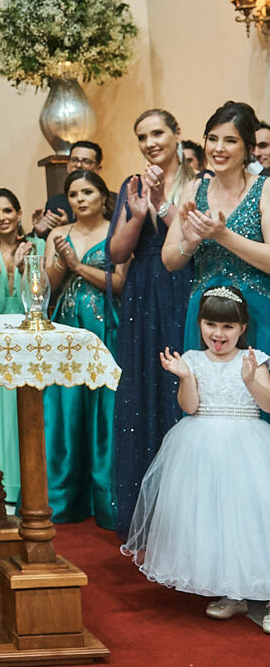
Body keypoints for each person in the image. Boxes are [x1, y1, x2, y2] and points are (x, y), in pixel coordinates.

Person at [122, 286, 270, 632]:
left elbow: (268, 405)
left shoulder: (254, 359)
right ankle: (233, 592)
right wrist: (186, 377)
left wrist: (251, 382)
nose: (218, 334)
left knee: (254, 520)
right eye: (211, 324)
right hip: (200, 447)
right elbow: (189, 407)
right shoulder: (192, 359)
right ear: (200, 323)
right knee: (217, 520)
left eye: (228, 327)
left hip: (248, 447)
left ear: (242, 328)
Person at [106, 110, 194, 533]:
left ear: (177, 134)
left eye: (158, 132)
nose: (150, 142)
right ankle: (147, 515)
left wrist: (165, 206)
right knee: (143, 390)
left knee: (180, 388)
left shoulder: (199, 181)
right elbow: (117, 253)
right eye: (142, 136)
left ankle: (186, 515)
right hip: (143, 292)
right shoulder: (132, 185)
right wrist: (139, 214)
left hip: (184, 287)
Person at [45, 169, 127, 528]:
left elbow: (121, 282)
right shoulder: (57, 234)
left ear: (102, 195)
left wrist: (79, 265)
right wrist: (62, 262)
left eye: (88, 192)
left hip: (105, 323)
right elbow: (48, 285)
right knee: (66, 407)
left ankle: (105, 499)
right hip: (66, 325)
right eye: (74, 193)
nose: (80, 199)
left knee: (104, 408)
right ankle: (63, 497)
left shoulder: (117, 231)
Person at [164, 101, 270, 353]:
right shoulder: (194, 188)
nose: (219, 148)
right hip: (206, 318)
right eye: (212, 139)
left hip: (256, 313)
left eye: (230, 141)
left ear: (249, 148)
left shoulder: (265, 189)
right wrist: (190, 243)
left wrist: (223, 235)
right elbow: (169, 259)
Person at [0, 190, 44, 502]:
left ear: (18, 213)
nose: (1, 218)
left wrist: (17, 270)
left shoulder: (37, 247)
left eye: (7, 211)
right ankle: (4, 486)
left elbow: (37, 299)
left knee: (30, 413)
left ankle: (33, 483)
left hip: (30, 341)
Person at [33, 140, 104, 236]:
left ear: (98, 169)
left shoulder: (112, 200)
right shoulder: (55, 203)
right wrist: (40, 232)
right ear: (67, 165)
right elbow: (47, 240)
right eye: (74, 160)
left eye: (86, 161)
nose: (78, 165)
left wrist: (67, 228)